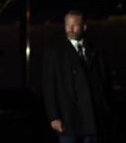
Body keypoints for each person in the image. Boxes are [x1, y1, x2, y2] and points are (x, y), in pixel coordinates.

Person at [42, 11, 111, 142]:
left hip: (92, 115)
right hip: (67, 116)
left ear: (84, 27)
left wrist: (105, 109)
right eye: (67, 25)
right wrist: (53, 117)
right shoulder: (54, 52)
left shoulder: (95, 50)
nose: (70, 29)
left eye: (75, 25)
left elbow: (104, 81)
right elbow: (48, 87)